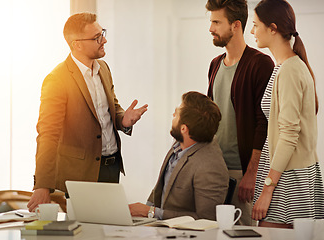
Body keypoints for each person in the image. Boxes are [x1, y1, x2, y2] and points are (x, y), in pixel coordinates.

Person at [27, 12, 148, 212]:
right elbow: (47, 134)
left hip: (111, 166)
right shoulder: (57, 79)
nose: (104, 40)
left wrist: (123, 120)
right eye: (97, 37)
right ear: (77, 44)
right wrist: (42, 185)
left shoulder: (103, 68)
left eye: (103, 34)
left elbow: (111, 109)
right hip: (81, 174)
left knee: (109, 228)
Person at [251, 0, 324, 228]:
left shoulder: (290, 69)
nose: (252, 31)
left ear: (272, 28)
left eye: (255, 25)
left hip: (287, 177)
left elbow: (289, 133)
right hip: (284, 173)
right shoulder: (284, 66)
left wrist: (268, 188)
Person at [205, 0, 274, 225]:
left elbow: (263, 124)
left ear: (236, 25)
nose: (211, 28)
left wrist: (252, 174)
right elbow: (209, 116)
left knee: (243, 233)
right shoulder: (215, 64)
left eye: (217, 22)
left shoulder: (261, 64)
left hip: (242, 172)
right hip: (214, 170)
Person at [129, 91, 229, 220]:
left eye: (176, 114)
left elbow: (206, 219)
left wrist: (150, 212)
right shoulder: (179, 144)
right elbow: (160, 189)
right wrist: (141, 214)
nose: (173, 115)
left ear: (184, 129)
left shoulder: (210, 166)